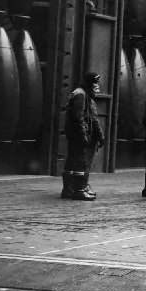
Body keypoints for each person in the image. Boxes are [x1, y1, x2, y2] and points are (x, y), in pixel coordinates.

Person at [61, 71, 104, 201]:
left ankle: (70, 189)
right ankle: (79, 190)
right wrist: (84, 135)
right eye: (95, 84)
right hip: (78, 135)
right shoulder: (81, 95)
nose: (97, 87)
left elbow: (91, 118)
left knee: (73, 162)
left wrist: (98, 135)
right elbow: (79, 118)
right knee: (80, 162)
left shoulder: (83, 94)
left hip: (77, 134)